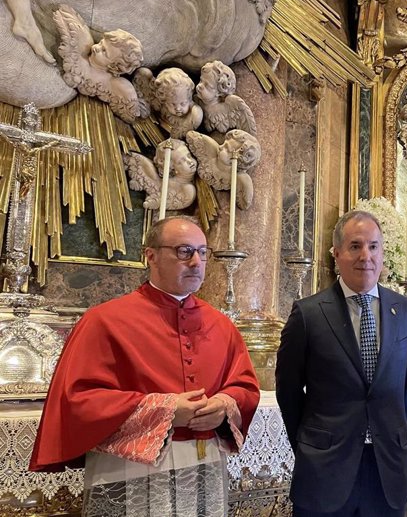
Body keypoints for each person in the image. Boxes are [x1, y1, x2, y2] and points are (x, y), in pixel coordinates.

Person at [30, 215, 260, 517]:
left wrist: (224, 404)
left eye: (203, 253)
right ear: (150, 255)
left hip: (204, 465)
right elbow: (79, 399)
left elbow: (244, 386)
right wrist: (164, 410)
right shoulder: (104, 321)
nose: (196, 262)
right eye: (183, 251)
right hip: (129, 469)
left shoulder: (221, 325)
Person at [276, 210, 407, 517]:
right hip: (325, 470)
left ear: (383, 253)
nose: (365, 256)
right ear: (337, 254)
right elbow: (288, 392)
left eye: (373, 246)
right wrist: (312, 444)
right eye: (355, 246)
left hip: (387, 470)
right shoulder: (308, 314)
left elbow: (406, 388)